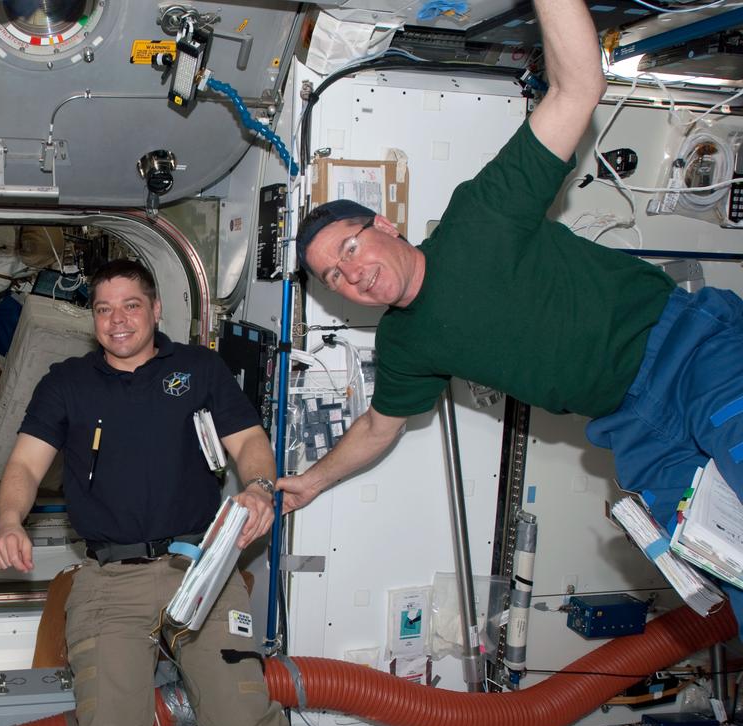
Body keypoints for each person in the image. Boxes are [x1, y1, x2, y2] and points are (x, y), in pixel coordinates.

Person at [281, 0, 743, 534]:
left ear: (385, 226)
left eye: (350, 249)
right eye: (334, 276)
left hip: (686, 355)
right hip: (631, 425)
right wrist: (311, 482)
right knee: (713, 561)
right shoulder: (404, 346)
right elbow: (378, 428)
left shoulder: (480, 218)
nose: (351, 274)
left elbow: (578, 90)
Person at [0, 259, 320, 726]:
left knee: (248, 724)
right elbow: (23, 464)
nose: (118, 321)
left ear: (156, 309)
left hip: (204, 571)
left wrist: (260, 487)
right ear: (92, 318)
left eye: (131, 306)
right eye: (104, 309)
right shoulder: (67, 382)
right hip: (108, 583)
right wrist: (9, 519)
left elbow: (249, 443)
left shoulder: (198, 369)